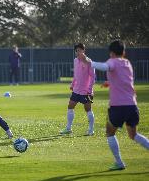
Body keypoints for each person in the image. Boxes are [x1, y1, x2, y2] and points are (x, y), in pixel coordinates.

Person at [81, 40, 149, 170]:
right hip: (132, 105)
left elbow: (105, 67)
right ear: (123, 52)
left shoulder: (112, 61)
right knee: (133, 135)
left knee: (110, 133)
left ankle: (119, 162)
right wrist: (110, 82)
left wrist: (88, 62)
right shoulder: (127, 63)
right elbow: (125, 81)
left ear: (111, 52)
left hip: (118, 107)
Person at [60, 43, 96, 136]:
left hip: (86, 91)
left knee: (88, 109)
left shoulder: (89, 62)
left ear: (84, 51)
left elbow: (92, 77)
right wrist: (72, 84)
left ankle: (91, 130)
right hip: (76, 90)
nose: (78, 52)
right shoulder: (75, 60)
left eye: (80, 50)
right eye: (76, 50)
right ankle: (68, 128)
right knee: (70, 106)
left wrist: (90, 89)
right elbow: (76, 75)